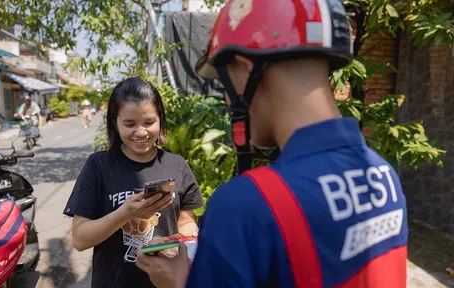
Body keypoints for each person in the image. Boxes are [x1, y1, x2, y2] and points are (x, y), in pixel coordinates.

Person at [135, 0, 408, 287]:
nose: (228, 99)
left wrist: (179, 279)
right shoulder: (384, 175)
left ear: (243, 69)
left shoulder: (246, 206)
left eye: (223, 81)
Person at [63, 77, 204, 288]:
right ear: (115, 123)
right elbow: (80, 239)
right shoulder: (99, 165)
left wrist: (190, 238)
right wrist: (125, 214)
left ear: (160, 120)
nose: (141, 132)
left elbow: (185, 222)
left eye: (149, 122)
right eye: (129, 124)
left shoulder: (177, 165)